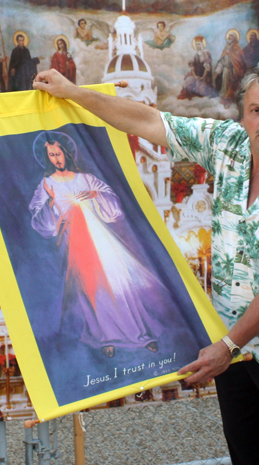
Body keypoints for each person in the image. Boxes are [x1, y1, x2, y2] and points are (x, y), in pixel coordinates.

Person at [33, 59, 259, 465]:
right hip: (233, 347)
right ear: (243, 116)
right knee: (248, 457)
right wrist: (72, 92)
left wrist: (226, 347)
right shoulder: (227, 144)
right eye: (256, 111)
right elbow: (148, 122)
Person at [29, 133, 163, 358]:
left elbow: (113, 207)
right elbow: (38, 220)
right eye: (51, 155)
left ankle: (141, 334)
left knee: (119, 282)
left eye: (58, 153)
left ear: (66, 153)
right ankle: (107, 337)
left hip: (102, 239)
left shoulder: (86, 178)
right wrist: (51, 202)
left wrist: (94, 194)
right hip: (76, 243)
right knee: (93, 288)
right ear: (47, 158)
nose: (56, 158)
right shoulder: (46, 184)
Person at [213, 30, 246, 106]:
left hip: (233, 70)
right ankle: (224, 100)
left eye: (231, 36)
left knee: (232, 86)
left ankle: (230, 101)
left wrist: (236, 71)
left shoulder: (237, 48)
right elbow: (222, 61)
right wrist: (217, 71)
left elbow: (239, 62)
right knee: (224, 85)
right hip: (225, 70)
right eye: (229, 36)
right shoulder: (226, 48)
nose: (229, 37)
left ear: (235, 38)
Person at [177, 36, 215, 100]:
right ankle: (189, 96)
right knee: (187, 82)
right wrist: (195, 76)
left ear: (202, 44)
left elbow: (207, 68)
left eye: (199, 44)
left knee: (201, 90)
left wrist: (202, 77)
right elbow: (192, 68)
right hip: (196, 76)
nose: (197, 46)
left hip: (205, 77)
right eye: (196, 44)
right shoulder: (195, 55)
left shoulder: (206, 54)